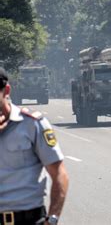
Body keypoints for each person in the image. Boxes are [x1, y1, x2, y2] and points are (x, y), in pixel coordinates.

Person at [0, 68, 69, 224]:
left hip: (28, 219)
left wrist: (52, 219)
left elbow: (59, 173)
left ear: (6, 90)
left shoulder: (32, 124)